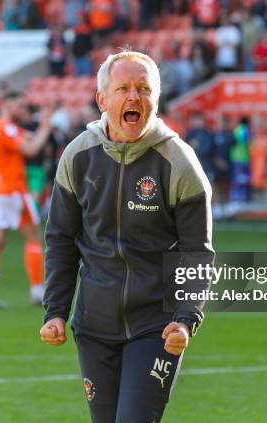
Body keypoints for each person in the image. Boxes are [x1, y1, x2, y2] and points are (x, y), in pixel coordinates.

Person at [40, 51, 214, 422]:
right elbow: (60, 239)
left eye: (143, 89)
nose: (134, 97)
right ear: (103, 100)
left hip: (157, 325)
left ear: (156, 98)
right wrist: (55, 310)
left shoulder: (179, 163)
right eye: (123, 88)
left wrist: (185, 318)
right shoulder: (78, 156)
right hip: (94, 325)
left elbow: (196, 252)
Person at [0, 92, 52, 307]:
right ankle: (38, 291)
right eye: (19, 106)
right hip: (13, 189)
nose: (22, 110)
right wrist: (46, 127)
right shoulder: (6, 127)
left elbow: (27, 137)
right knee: (33, 238)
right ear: (8, 106)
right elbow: (31, 149)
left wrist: (40, 128)